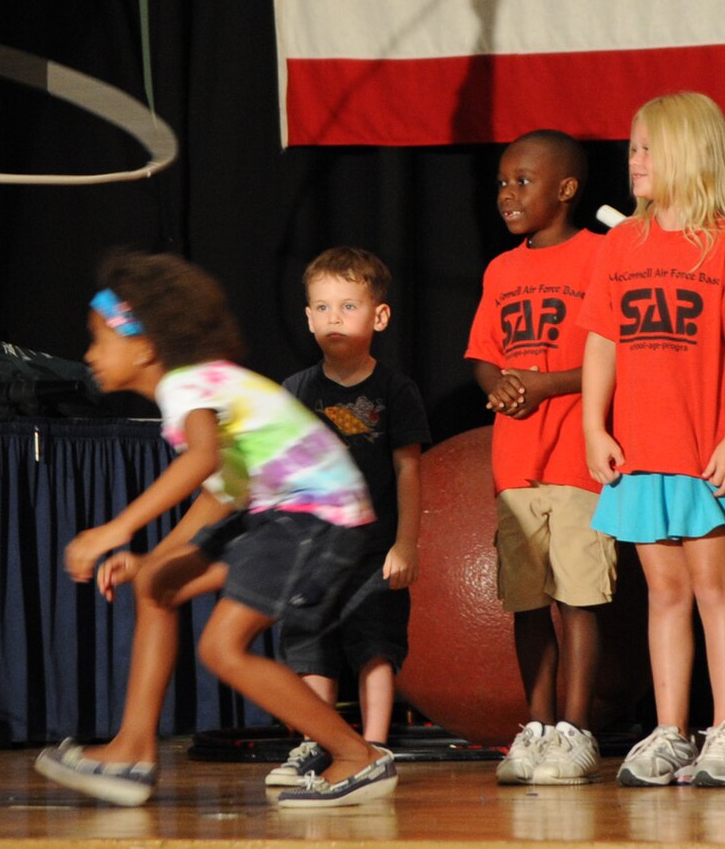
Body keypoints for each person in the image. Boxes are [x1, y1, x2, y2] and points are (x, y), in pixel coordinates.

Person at [33, 253, 395, 810]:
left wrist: (115, 530)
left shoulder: (185, 385)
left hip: (317, 514)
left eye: (97, 340)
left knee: (223, 648)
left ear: (144, 346)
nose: (88, 355)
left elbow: (201, 460)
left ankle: (358, 755)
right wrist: (158, 555)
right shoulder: (199, 388)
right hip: (286, 513)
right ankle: (133, 751)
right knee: (157, 584)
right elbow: (222, 491)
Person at [580, 92, 725, 789]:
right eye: (632, 147)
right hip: (640, 454)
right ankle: (671, 730)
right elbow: (602, 341)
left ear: (690, 155)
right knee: (663, 593)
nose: (634, 159)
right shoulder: (619, 243)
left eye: (648, 148)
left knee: (713, 588)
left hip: (704, 453)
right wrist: (593, 424)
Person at [464, 130, 613, 786]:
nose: (506, 194)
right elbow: (482, 352)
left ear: (566, 189)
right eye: (502, 181)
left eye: (522, 181)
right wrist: (497, 383)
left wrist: (548, 384)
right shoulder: (502, 268)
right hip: (516, 463)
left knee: (580, 598)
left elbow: (616, 355)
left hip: (580, 459)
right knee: (528, 602)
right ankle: (538, 724)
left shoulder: (602, 257)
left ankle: (576, 731)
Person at [267, 247, 427, 787]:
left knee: (374, 645)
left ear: (378, 316)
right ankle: (318, 743)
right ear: (308, 316)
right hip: (311, 554)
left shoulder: (395, 391)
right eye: (323, 307)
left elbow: (408, 472)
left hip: (374, 550)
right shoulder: (296, 390)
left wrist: (405, 544)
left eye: (348, 306)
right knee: (310, 647)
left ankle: (375, 748)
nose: (334, 318)